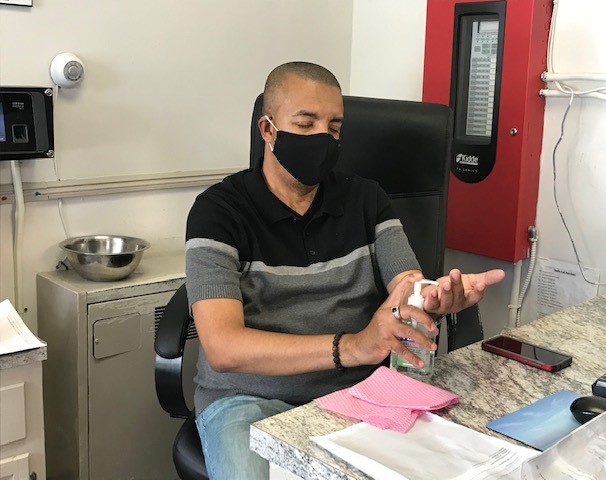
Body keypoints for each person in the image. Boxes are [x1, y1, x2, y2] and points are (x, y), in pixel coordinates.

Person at [185, 61, 505, 479]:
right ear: (267, 130)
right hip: (248, 400)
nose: (322, 138)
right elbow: (224, 347)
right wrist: (353, 346)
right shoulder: (218, 211)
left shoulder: (367, 199)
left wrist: (434, 297)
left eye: (333, 128)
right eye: (305, 124)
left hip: (362, 393)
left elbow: (407, 284)